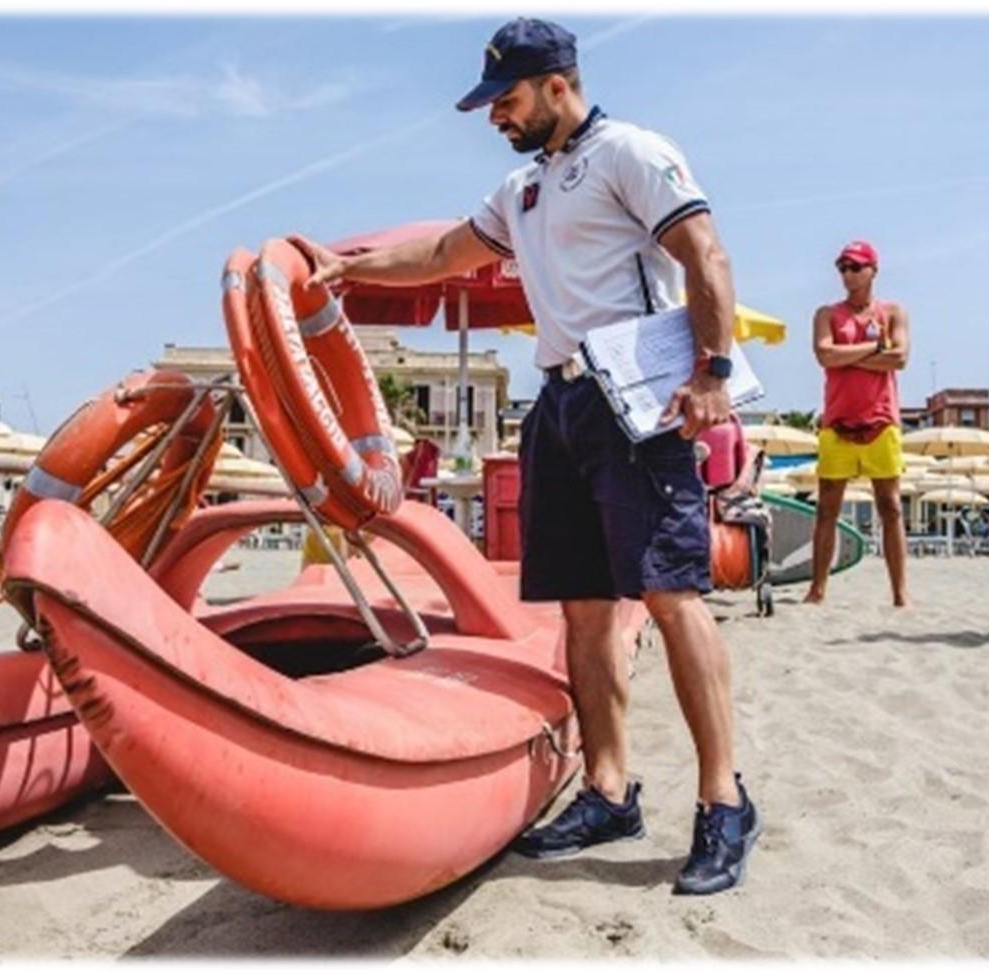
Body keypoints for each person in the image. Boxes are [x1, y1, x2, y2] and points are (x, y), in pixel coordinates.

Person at [290, 18, 758, 895]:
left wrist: (714, 370)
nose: (494, 118)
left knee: (670, 593)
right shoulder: (522, 187)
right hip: (561, 405)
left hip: (638, 404)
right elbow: (441, 253)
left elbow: (705, 252)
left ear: (555, 84)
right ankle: (610, 788)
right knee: (582, 608)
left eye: (504, 101)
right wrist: (347, 268)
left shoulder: (631, 151)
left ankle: (723, 799)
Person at [806, 241, 910, 606]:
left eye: (855, 266)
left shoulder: (893, 312)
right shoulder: (827, 314)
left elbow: (899, 358)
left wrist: (847, 358)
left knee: (891, 507)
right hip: (837, 422)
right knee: (827, 508)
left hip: (881, 420)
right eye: (843, 267)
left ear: (872, 270)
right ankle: (817, 590)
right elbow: (825, 354)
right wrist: (872, 350)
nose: (848, 273)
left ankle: (900, 594)